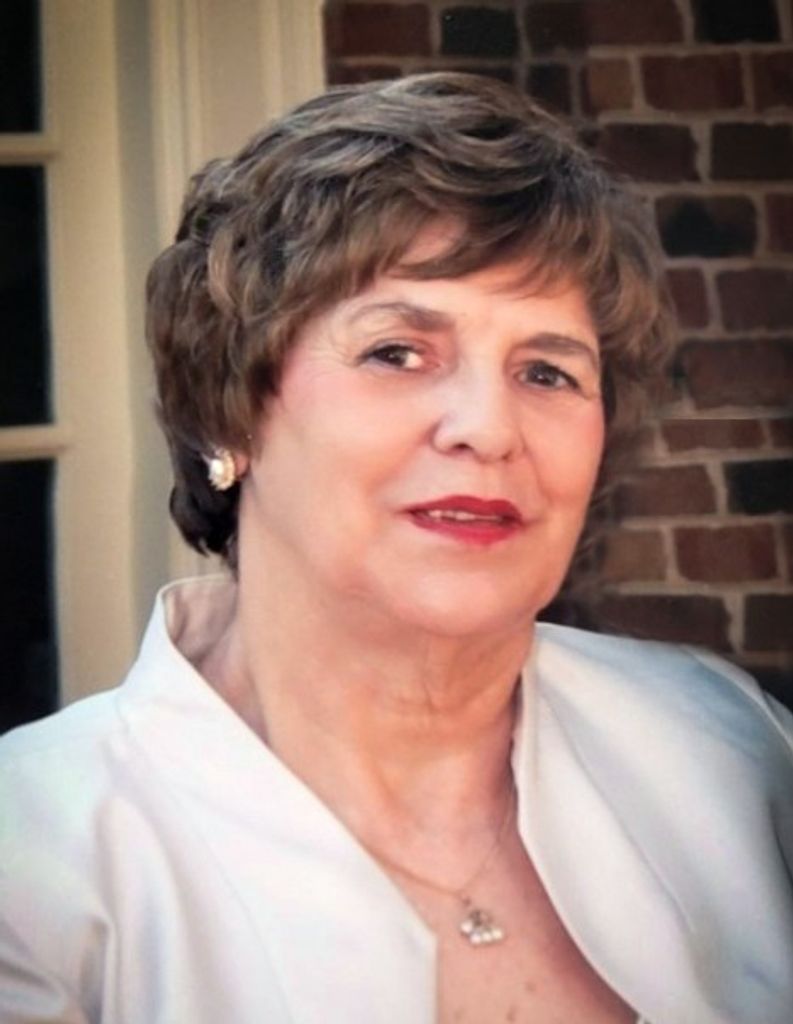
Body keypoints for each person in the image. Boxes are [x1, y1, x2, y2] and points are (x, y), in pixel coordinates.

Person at [1, 73, 791, 1024]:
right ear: (229, 412)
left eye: (547, 371)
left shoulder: (726, 748)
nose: (487, 428)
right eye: (396, 353)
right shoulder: (31, 862)